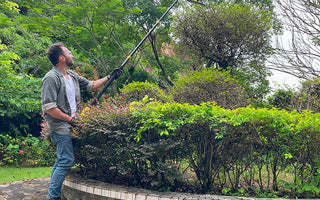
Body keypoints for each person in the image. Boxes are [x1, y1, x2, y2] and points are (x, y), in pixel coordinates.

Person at [41, 42, 121, 200]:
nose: (72, 54)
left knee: (62, 160)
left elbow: (91, 86)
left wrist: (110, 77)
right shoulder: (50, 78)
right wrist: (71, 120)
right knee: (66, 160)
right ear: (61, 58)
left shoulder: (71, 76)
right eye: (68, 52)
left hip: (70, 125)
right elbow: (49, 107)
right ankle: (53, 197)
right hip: (60, 127)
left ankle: (52, 195)